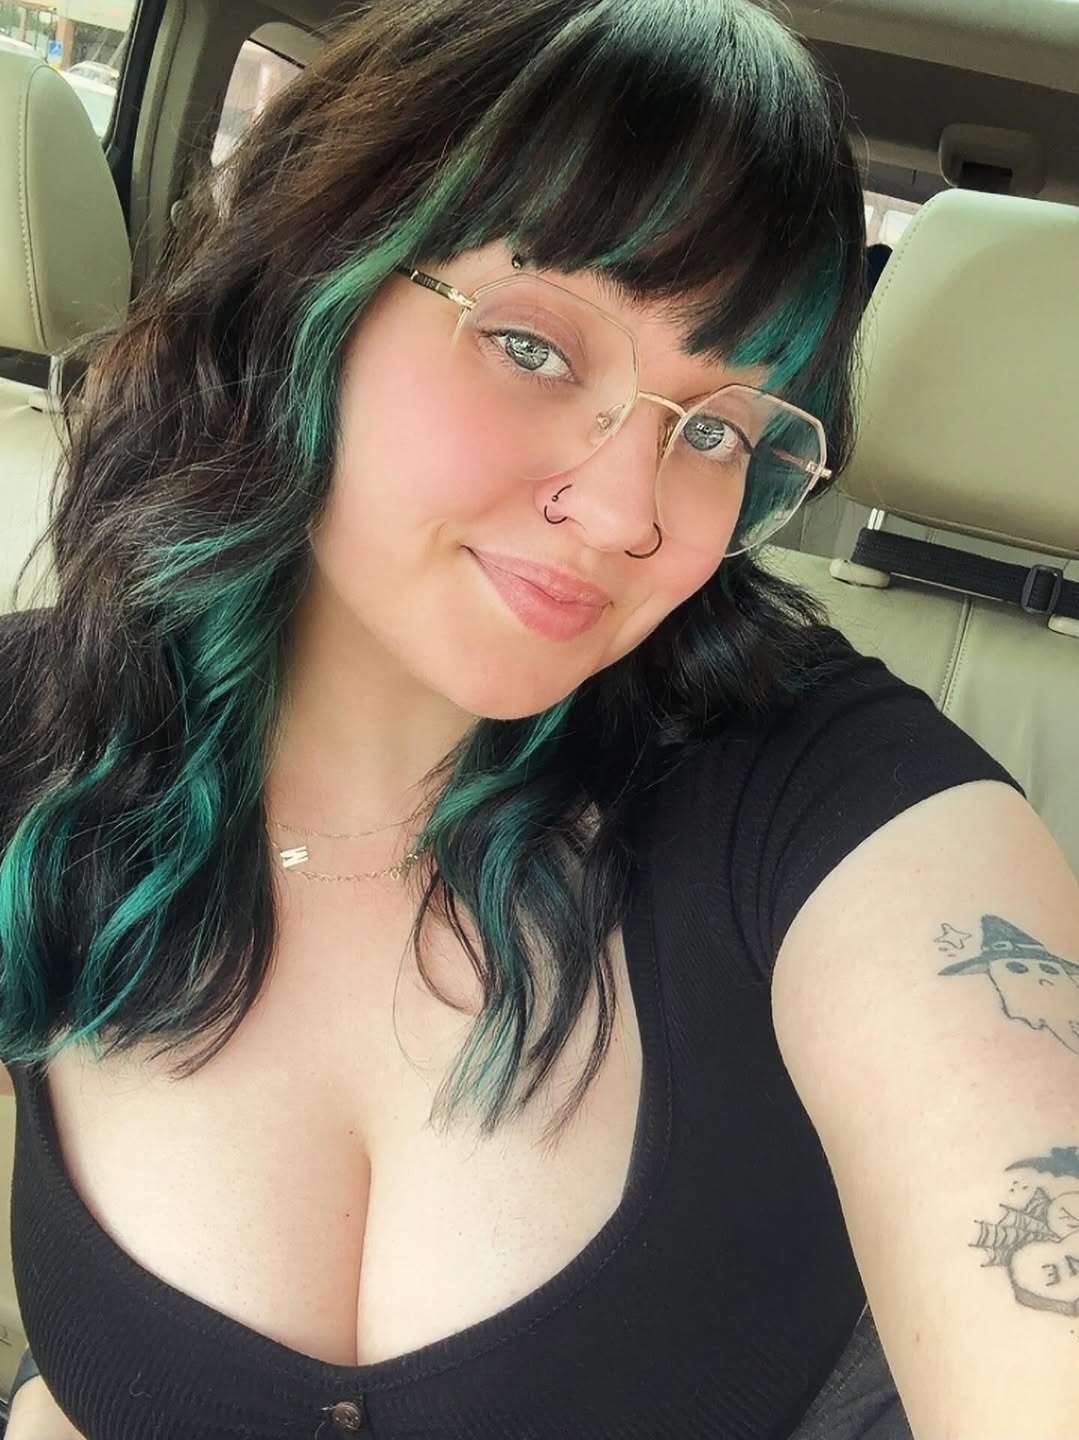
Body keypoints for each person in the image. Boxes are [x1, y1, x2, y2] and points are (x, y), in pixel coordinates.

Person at [1, 2, 1077, 1437]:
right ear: (309, 292)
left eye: (715, 429)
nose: (632, 515)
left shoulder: (836, 804)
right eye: (533, 347)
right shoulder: (43, 733)